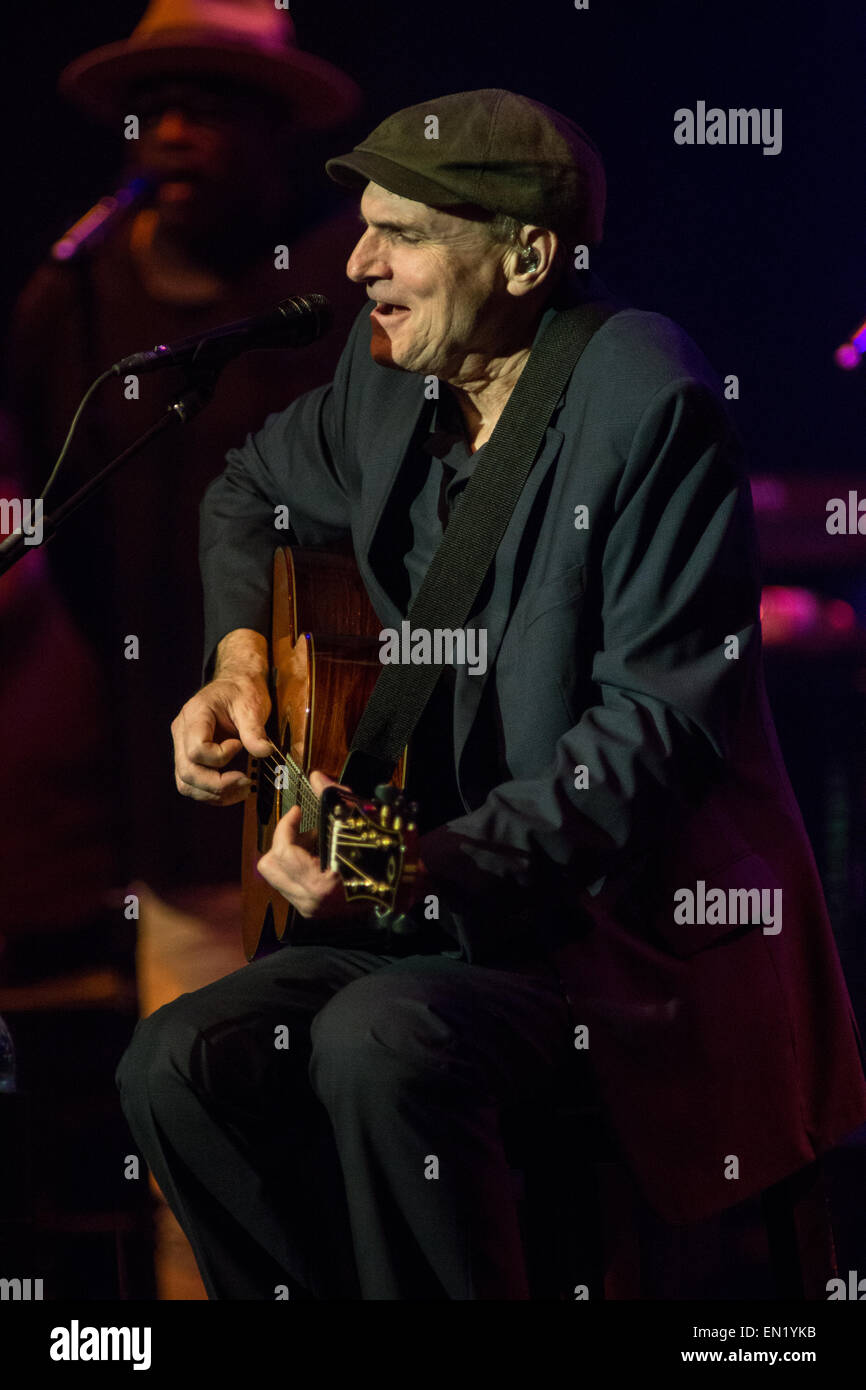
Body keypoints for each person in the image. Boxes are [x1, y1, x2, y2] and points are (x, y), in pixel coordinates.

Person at [116, 89, 866, 1300]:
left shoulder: (643, 397)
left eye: (400, 233)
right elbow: (246, 488)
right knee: (178, 1058)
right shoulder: (382, 386)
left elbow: (656, 730)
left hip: (624, 939)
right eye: (362, 227)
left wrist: (425, 865)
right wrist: (238, 656)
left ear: (523, 254)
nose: (358, 262)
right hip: (437, 917)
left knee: (379, 1041)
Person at [5, 0, 365, 892]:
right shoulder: (75, 295)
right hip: (148, 746)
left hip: (339, 730)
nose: (169, 133)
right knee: (186, 1012)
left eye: (206, 109)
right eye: (151, 109)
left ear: (275, 125)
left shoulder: (350, 279)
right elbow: (58, 512)